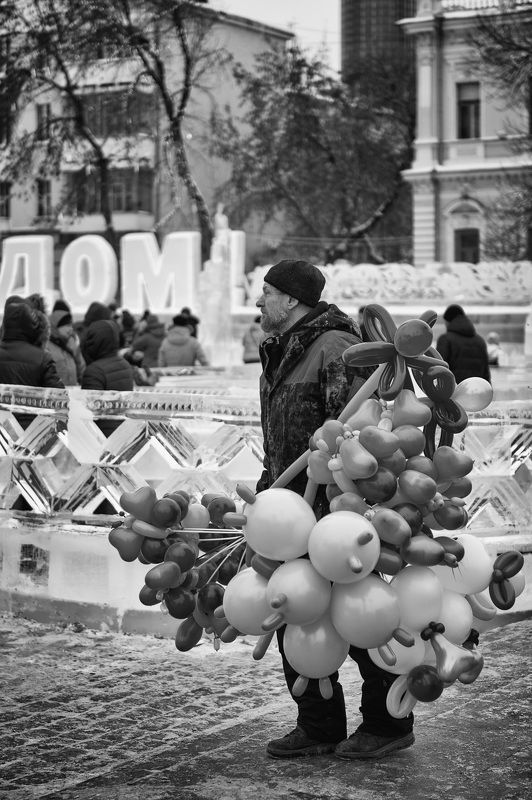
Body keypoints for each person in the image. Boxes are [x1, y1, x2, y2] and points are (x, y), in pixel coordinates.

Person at [255, 259, 413, 761]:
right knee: (294, 610)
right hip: (289, 508)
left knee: (359, 616)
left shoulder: (335, 348)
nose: (259, 302)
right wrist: (267, 490)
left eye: (266, 293)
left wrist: (346, 506)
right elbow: (281, 437)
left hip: (335, 510)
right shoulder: (281, 350)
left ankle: (388, 723)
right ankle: (318, 725)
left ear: (292, 300)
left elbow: (356, 436)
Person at [81, 319, 134, 437]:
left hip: (100, 435)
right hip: (122, 433)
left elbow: (89, 413)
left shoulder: (95, 370)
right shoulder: (125, 364)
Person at [436, 305, 491, 384]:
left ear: (448, 321)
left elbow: (439, 369)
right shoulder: (480, 341)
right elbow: (486, 373)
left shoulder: (445, 339)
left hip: (454, 392)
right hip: (476, 391)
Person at [47, 309, 85, 386]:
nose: (70, 329)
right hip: (56, 393)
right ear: (56, 327)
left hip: (73, 392)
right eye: (67, 326)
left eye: (71, 325)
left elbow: (81, 365)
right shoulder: (46, 345)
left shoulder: (72, 342)